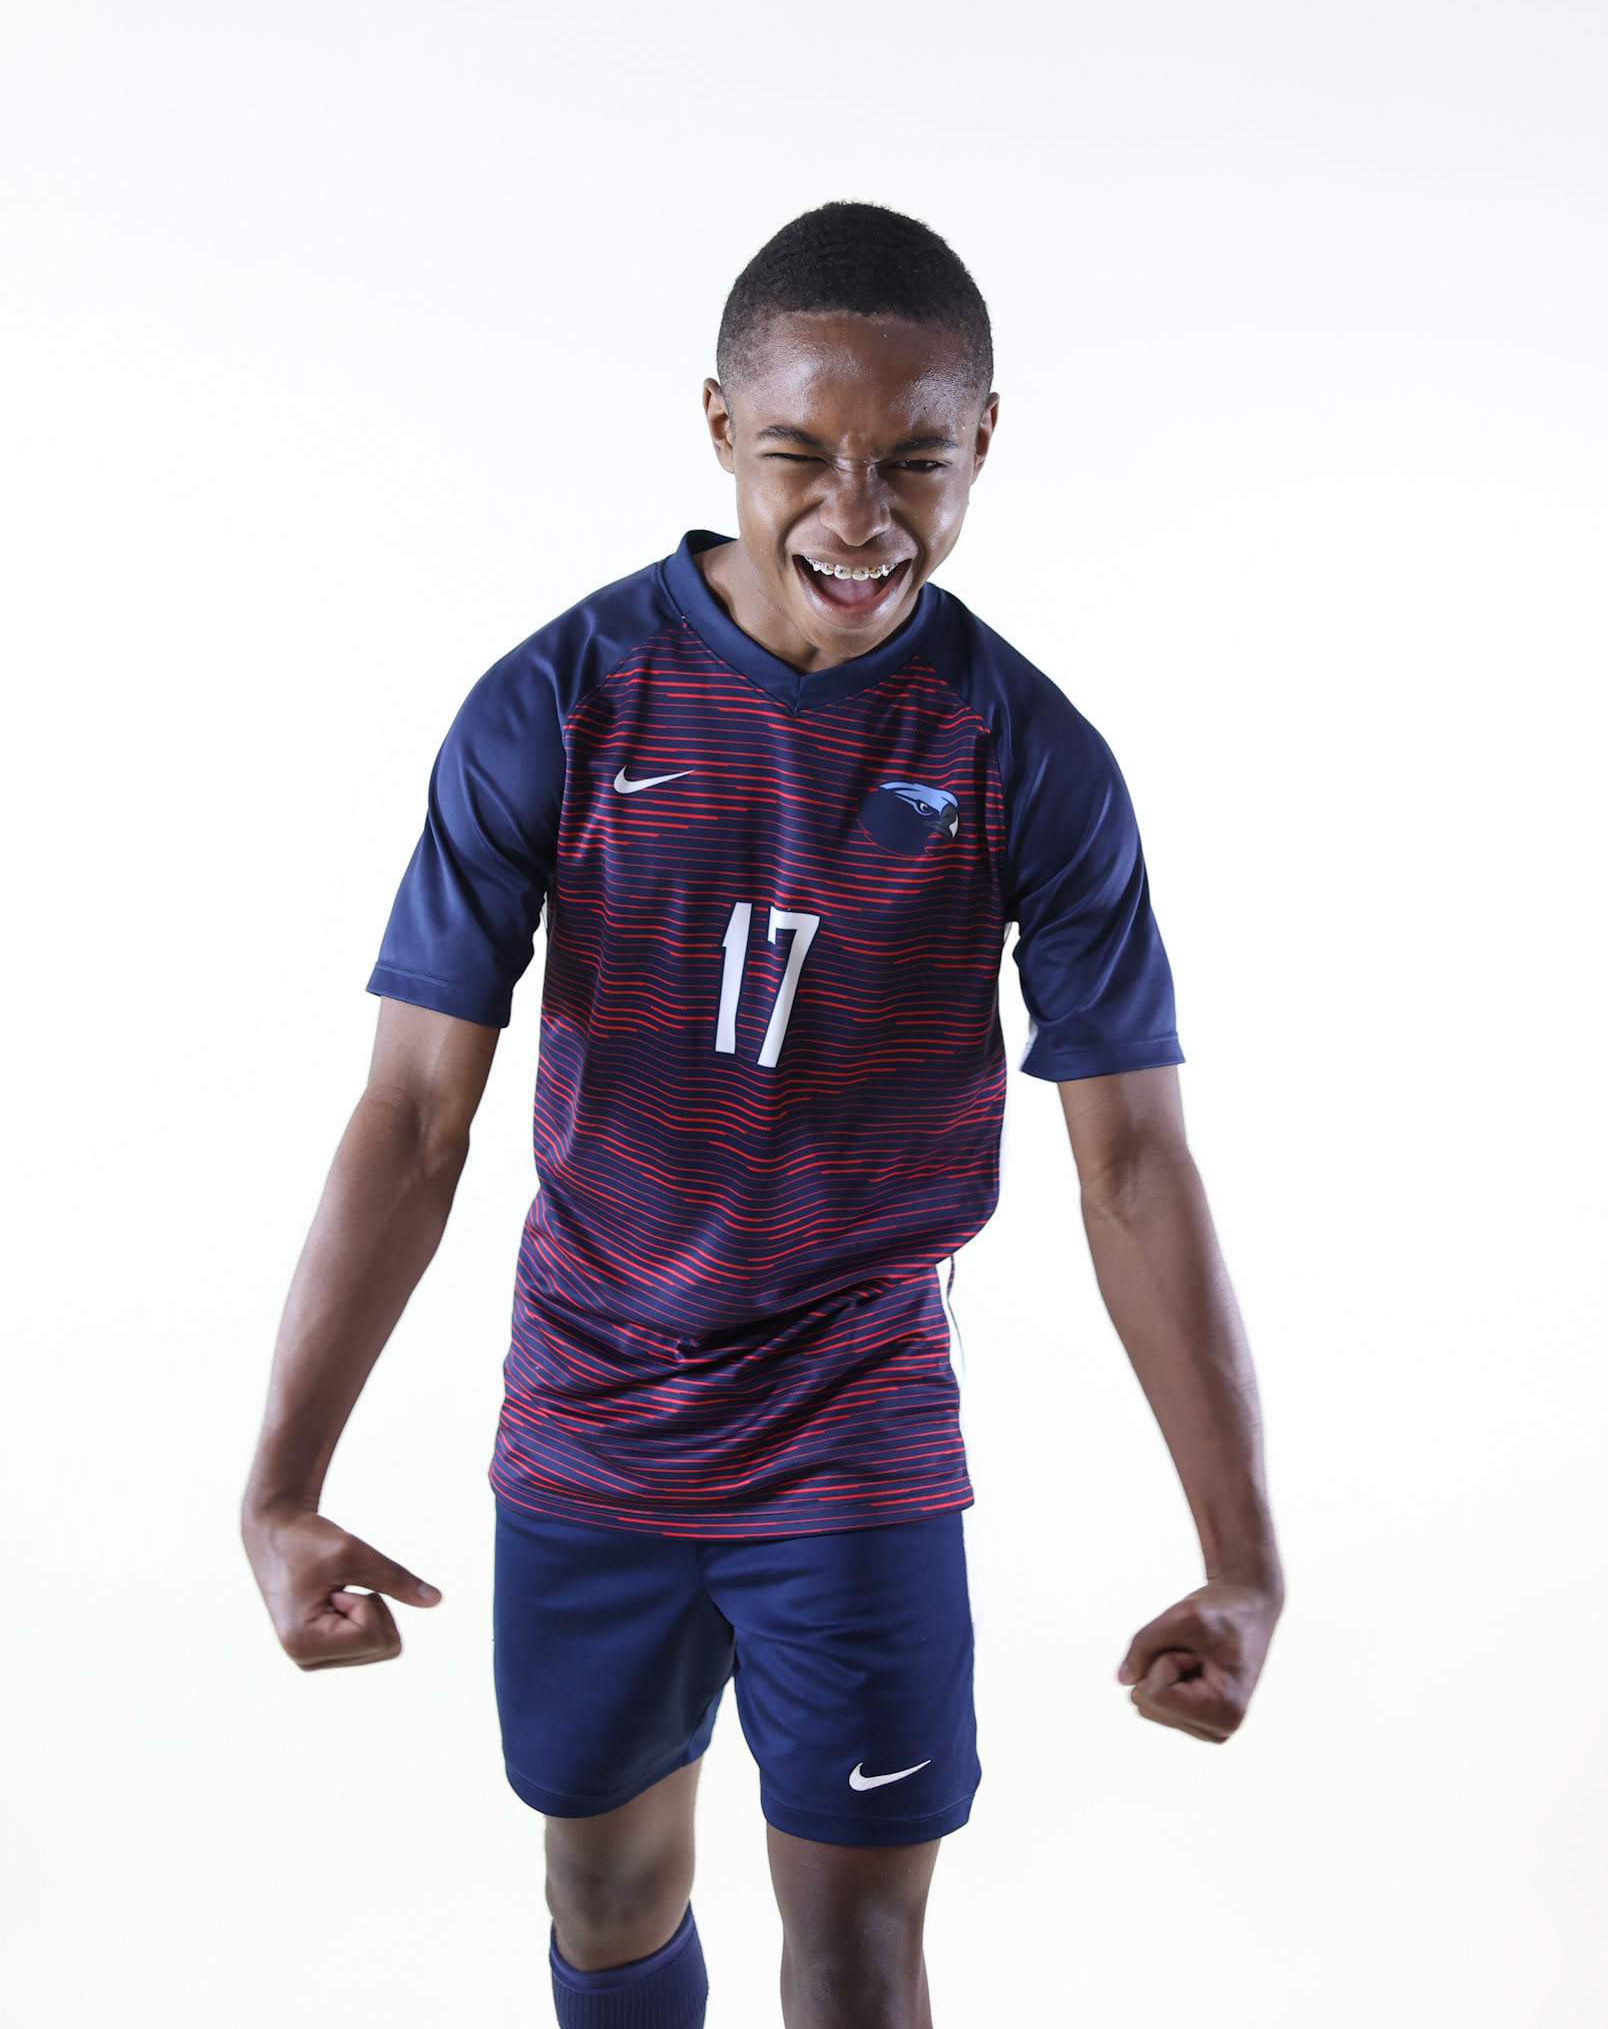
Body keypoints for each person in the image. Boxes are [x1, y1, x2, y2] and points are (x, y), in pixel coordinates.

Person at [241, 201, 1283, 2029]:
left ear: (985, 444)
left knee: (865, 1952)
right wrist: (281, 1487)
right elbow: (414, 1119)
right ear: (721, 426)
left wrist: (1242, 1556)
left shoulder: (1027, 755)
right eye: (803, 452)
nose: (859, 514)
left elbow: (1134, 1162)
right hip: (590, 1417)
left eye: (917, 460)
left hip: (855, 1431)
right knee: (607, 1892)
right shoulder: (553, 707)